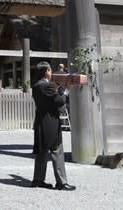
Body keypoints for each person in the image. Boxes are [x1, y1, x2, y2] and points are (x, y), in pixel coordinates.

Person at [31, 61, 76, 191]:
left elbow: (52, 97)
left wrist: (60, 88)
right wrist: (67, 89)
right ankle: (61, 182)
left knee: (42, 152)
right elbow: (60, 100)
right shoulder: (47, 86)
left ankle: (38, 180)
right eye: (50, 70)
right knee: (57, 151)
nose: (52, 73)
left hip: (40, 121)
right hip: (51, 122)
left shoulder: (36, 86)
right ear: (46, 71)